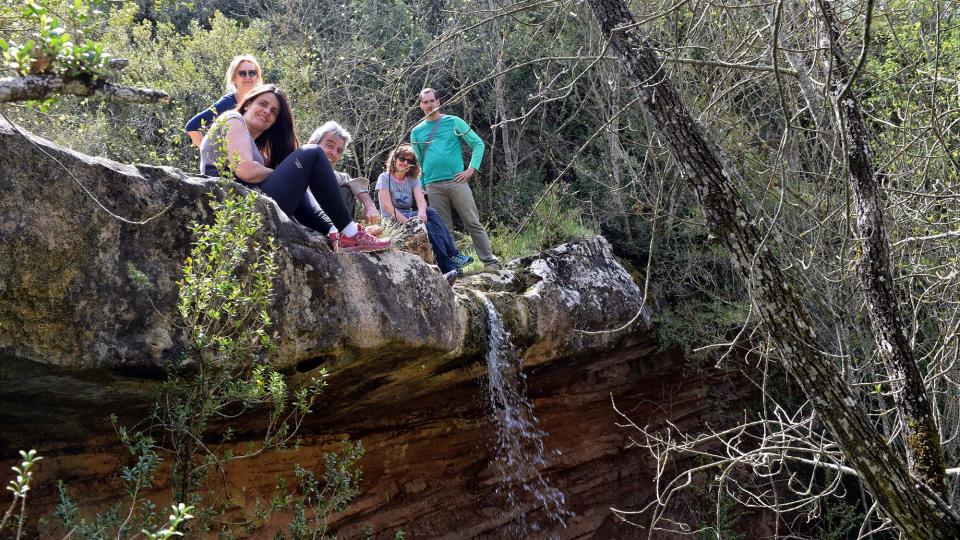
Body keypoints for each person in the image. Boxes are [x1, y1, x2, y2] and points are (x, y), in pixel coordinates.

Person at [198, 84, 390, 252]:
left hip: (247, 205)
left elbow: (307, 188)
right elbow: (245, 170)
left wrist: (294, 179)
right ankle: (349, 233)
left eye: (274, 111)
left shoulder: (256, 146)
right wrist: (289, 176)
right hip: (233, 206)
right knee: (313, 152)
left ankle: (338, 233)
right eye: (263, 104)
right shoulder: (232, 118)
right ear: (248, 103)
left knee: (303, 178)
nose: (267, 112)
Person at [410, 87, 500, 269]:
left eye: (432, 101)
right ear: (420, 105)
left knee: (472, 222)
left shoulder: (453, 121)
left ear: (438, 102)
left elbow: (478, 144)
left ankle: (489, 261)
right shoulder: (416, 132)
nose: (429, 105)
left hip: (457, 181)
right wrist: (422, 186)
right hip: (433, 186)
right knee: (443, 229)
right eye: (425, 102)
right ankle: (453, 267)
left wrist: (470, 170)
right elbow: (418, 162)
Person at [377, 145, 473, 281]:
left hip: (410, 216)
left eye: (409, 161)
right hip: (392, 221)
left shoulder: (412, 180)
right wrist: (410, 223)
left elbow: (421, 201)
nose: (405, 163)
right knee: (426, 225)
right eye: (402, 159)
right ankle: (451, 266)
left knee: (430, 214)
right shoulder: (385, 177)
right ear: (395, 159)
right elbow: (387, 207)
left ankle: (452, 257)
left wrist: (421, 214)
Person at [306, 121, 380, 226]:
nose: (334, 153)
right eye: (329, 145)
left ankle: (345, 234)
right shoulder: (295, 163)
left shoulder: (328, 175)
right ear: (313, 143)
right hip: (291, 229)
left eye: (339, 151)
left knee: (345, 189)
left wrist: (370, 206)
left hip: (323, 230)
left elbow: (351, 181)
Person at [185, 55, 263, 147]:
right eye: (242, 73)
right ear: (234, 78)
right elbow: (191, 127)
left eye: (252, 73)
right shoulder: (228, 103)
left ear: (257, 77)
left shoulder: (265, 101)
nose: (248, 77)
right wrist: (209, 155)